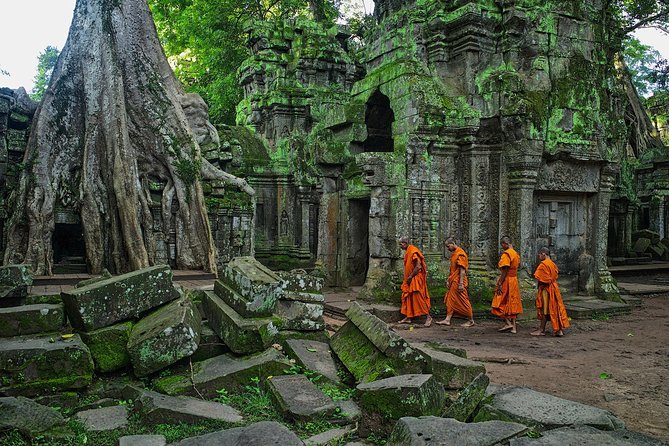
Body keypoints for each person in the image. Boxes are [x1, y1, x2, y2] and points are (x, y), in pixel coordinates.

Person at [436, 237, 475, 327]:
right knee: (450, 299)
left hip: (458, 281)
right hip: (454, 280)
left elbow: (462, 270)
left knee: (463, 299)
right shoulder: (455, 253)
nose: (448, 248)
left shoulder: (460, 254)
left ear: (453, 244)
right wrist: (449, 280)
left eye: (448, 246)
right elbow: (453, 269)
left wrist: (461, 283)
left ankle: (471, 320)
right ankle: (447, 319)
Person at [531, 247, 570, 337]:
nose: (539, 256)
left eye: (540, 254)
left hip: (546, 289)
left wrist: (539, 288)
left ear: (544, 254)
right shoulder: (552, 264)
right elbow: (555, 275)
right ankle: (559, 330)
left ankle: (541, 330)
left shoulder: (543, 265)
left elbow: (542, 279)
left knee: (545, 309)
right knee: (555, 308)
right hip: (554, 288)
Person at [491, 236, 523, 333]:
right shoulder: (516, 254)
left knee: (498, 302)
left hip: (507, 280)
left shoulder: (507, 254)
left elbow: (505, 270)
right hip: (514, 280)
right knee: (512, 303)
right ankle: (513, 327)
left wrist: (500, 283)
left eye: (502, 245)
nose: (502, 247)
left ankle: (508, 323)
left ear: (505, 244)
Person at [398, 236, 432, 327]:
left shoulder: (413, 251)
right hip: (409, 279)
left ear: (405, 243)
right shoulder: (408, 251)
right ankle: (408, 317)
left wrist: (411, 276)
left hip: (415, 278)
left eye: (401, 244)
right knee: (408, 297)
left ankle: (428, 317)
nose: (400, 246)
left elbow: (418, 266)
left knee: (418, 298)